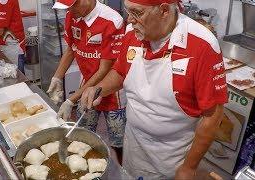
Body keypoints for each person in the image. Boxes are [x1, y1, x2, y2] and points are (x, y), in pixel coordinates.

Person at [80, 0, 228, 179]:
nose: (129, 20)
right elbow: (120, 72)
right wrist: (99, 88)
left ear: (164, 10)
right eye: (128, 12)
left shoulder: (201, 45)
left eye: (137, 13)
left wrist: (189, 167)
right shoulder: (133, 33)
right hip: (134, 141)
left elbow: (213, 115)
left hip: (170, 154)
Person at [48, 0, 127, 164]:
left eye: (72, 5)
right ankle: (82, 165)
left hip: (113, 91)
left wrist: (71, 99)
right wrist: (57, 77)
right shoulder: (73, 15)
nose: (69, 11)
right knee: (83, 133)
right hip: (86, 84)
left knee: (118, 141)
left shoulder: (112, 20)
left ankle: (121, 170)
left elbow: (104, 69)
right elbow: (71, 49)